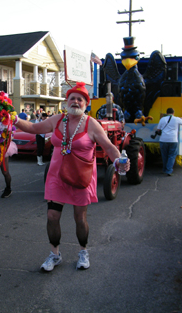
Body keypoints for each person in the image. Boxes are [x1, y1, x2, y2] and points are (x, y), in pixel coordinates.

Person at [13, 82, 130, 272]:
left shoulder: (92, 124)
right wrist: (14, 120)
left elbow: (108, 146)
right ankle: (54, 254)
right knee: (52, 216)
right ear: (67, 102)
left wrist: (119, 160)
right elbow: (35, 129)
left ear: (85, 104)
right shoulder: (57, 120)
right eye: (72, 98)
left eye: (80, 99)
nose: (75, 102)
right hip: (56, 176)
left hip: (80, 177)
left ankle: (83, 252)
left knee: (79, 217)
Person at [156, 108, 182, 176]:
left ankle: (164, 169)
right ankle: (169, 170)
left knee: (164, 156)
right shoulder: (177, 119)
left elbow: (158, 129)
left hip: (163, 140)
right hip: (173, 140)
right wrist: (181, 119)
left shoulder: (162, 119)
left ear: (166, 113)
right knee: (171, 156)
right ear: (173, 113)